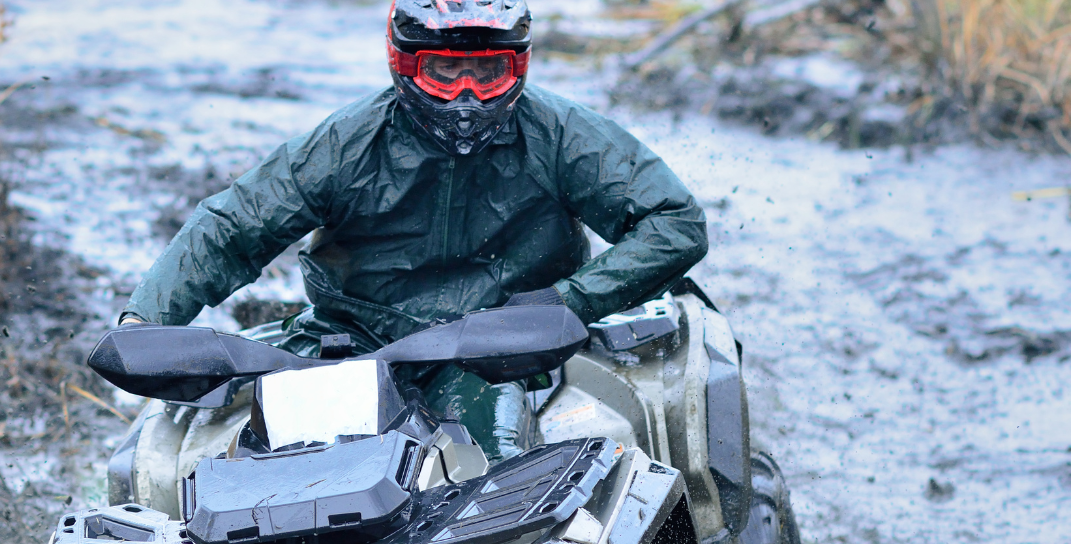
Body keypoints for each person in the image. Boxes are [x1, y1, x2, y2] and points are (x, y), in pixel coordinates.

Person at [117, 0, 707, 461]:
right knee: (227, 466)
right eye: (446, 72)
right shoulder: (346, 144)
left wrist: (565, 303)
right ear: (405, 63)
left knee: (496, 470)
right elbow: (230, 229)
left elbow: (676, 222)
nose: (469, 96)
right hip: (353, 343)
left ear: (518, 66)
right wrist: (145, 322)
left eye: (489, 72)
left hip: (502, 346)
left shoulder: (560, 133)